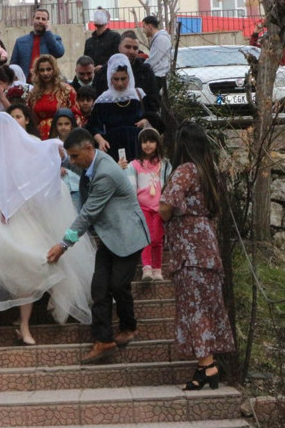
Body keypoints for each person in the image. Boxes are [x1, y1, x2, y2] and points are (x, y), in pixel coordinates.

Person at [0, 113, 96, 345]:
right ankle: (21, 323)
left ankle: (25, 323)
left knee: (34, 261)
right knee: (18, 264)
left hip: (24, 214)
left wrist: (54, 148)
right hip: (5, 216)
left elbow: (43, 156)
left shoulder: (25, 148)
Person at [47, 128, 150, 364]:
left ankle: (129, 326)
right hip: (109, 236)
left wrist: (64, 244)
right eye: (69, 157)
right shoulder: (90, 163)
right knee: (99, 287)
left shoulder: (105, 174)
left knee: (118, 284)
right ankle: (103, 340)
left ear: (88, 149)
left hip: (128, 236)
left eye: (74, 156)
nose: (72, 162)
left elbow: (87, 214)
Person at [159, 122, 235, 390]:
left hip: (189, 249)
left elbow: (165, 204)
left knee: (195, 306)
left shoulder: (185, 170)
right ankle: (204, 367)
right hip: (207, 245)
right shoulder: (207, 171)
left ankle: (208, 366)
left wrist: (168, 215)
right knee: (205, 305)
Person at [119, 128, 172, 281]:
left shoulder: (165, 164)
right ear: (139, 144)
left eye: (151, 141)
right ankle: (147, 268)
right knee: (146, 237)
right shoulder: (135, 165)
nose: (148, 145)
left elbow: (169, 185)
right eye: (144, 141)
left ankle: (158, 269)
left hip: (160, 208)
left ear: (157, 143)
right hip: (142, 208)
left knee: (157, 239)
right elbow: (128, 185)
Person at [86, 53, 150, 161]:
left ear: (129, 76)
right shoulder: (103, 100)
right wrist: (101, 140)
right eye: (116, 79)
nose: (120, 83)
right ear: (110, 78)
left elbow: (152, 115)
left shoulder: (138, 95)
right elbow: (93, 126)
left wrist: (145, 120)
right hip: (113, 148)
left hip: (137, 146)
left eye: (123, 78)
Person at [93, 31, 161, 115]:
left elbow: (154, 101)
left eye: (135, 48)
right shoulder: (105, 71)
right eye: (128, 47)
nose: (131, 51)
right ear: (120, 47)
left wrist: (146, 119)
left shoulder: (145, 72)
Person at [28, 54, 83, 139]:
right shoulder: (33, 94)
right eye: (42, 70)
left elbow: (76, 115)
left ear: (54, 70)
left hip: (63, 137)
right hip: (40, 139)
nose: (45, 73)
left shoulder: (67, 90)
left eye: (49, 69)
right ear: (37, 72)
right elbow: (30, 118)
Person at [10, 8, 65, 80]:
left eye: (43, 19)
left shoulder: (54, 39)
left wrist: (48, 33)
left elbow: (59, 53)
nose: (40, 21)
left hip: (47, 83)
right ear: (33, 20)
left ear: (47, 22)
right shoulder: (20, 42)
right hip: (27, 83)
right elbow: (13, 65)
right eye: (38, 18)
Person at [83, 8, 121, 73]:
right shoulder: (89, 42)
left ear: (108, 19)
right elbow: (85, 60)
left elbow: (117, 58)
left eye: (102, 14)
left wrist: (103, 67)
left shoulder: (115, 37)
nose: (98, 16)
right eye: (97, 13)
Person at [141, 16, 172, 93]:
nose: (143, 30)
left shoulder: (161, 39)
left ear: (149, 26)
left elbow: (153, 60)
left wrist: (141, 68)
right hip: (157, 75)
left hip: (158, 76)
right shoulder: (158, 38)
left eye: (144, 27)